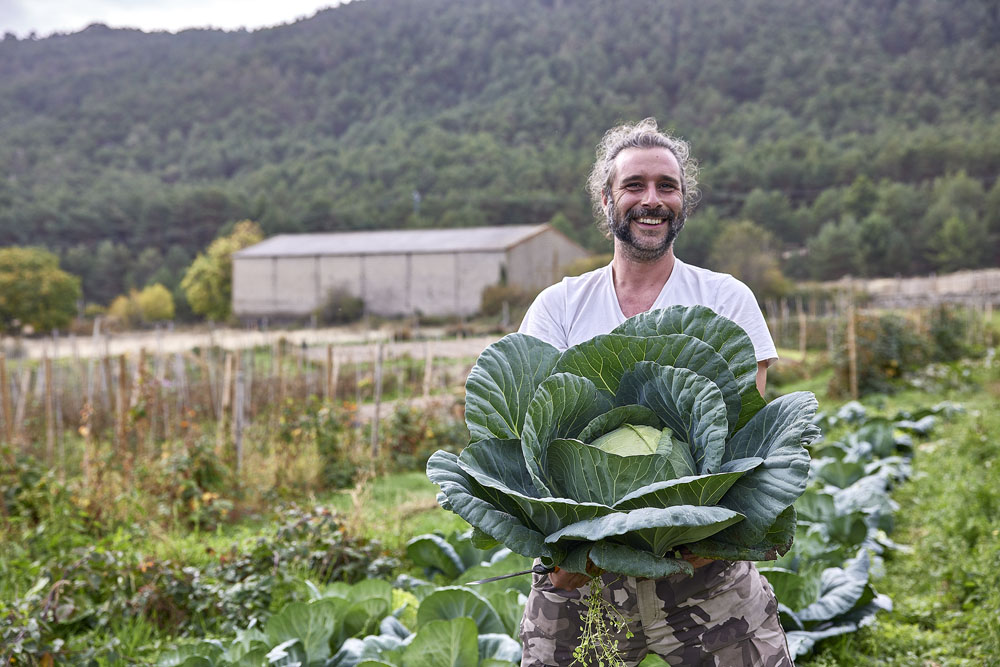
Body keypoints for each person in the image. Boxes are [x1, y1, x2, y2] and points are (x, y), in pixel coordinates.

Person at [517, 118, 792, 666]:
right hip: (583, 574)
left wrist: (682, 536)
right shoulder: (559, 308)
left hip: (701, 566)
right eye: (634, 185)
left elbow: (743, 441)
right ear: (606, 199)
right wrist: (578, 550)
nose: (652, 199)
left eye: (667, 186)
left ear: (683, 200)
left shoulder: (724, 300)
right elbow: (529, 440)